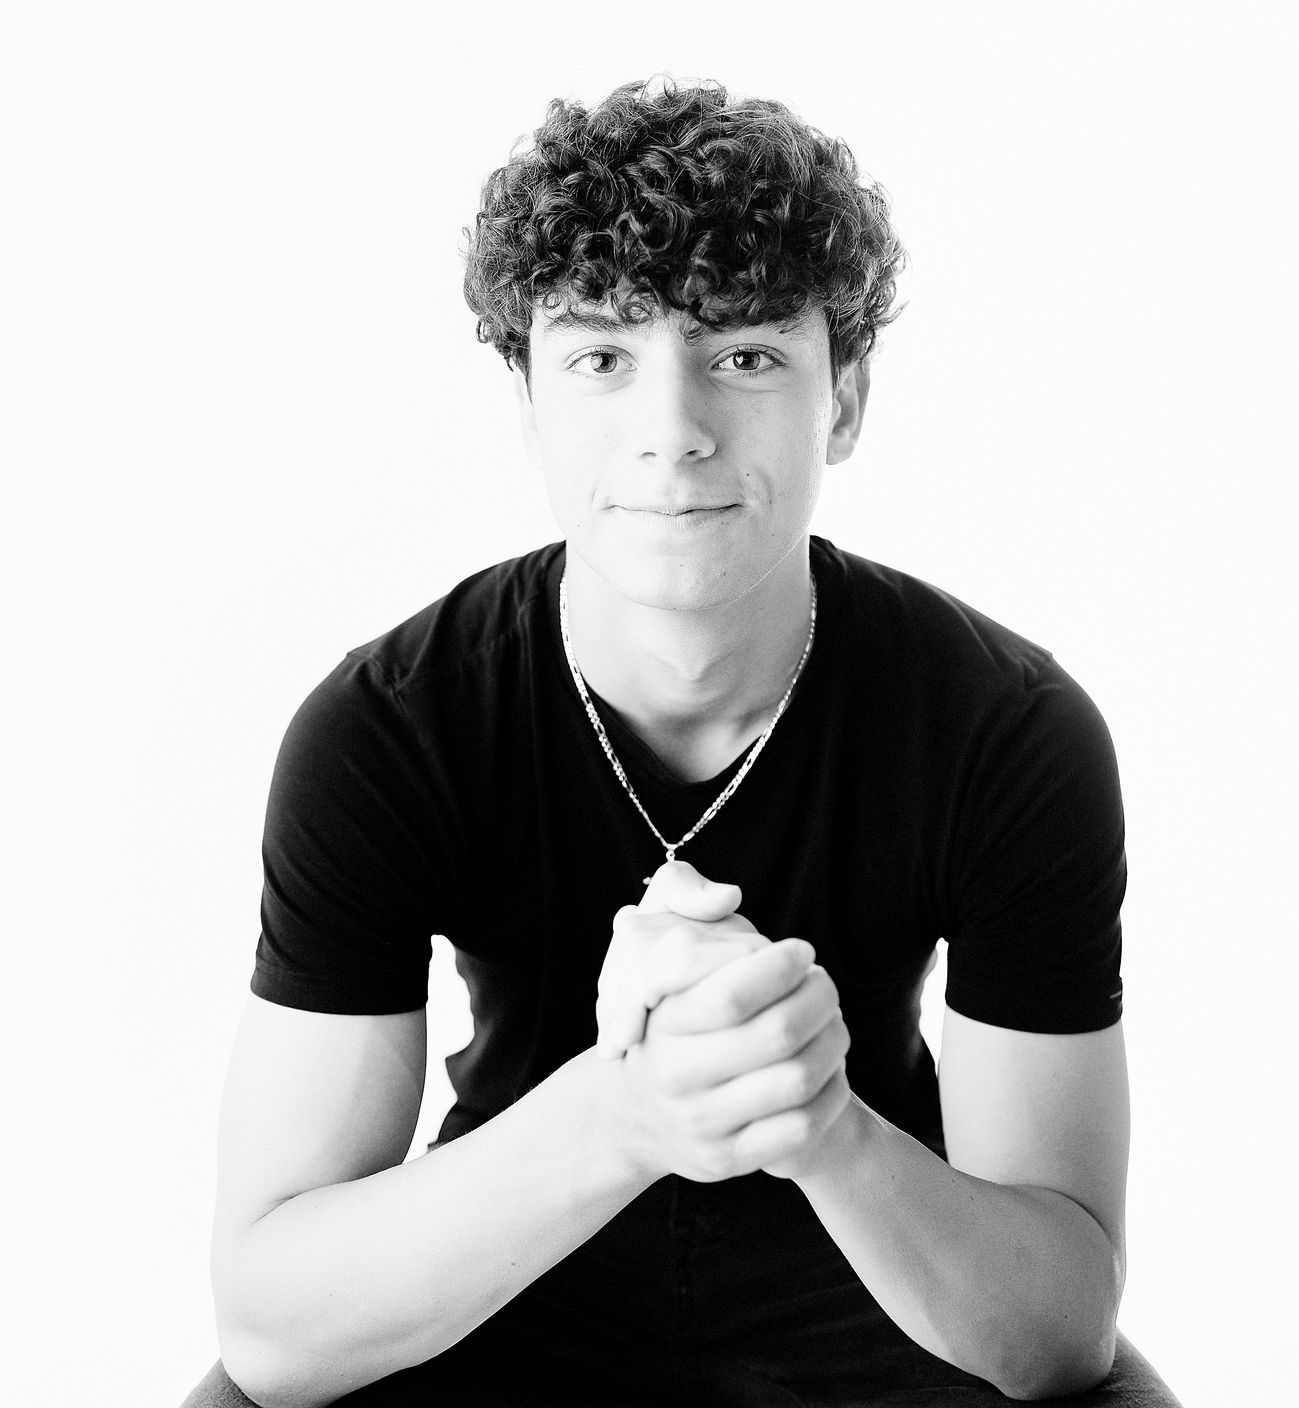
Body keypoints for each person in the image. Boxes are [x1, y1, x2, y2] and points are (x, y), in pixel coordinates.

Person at [186, 78, 1142, 1408]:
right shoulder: (387, 728)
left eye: (745, 355)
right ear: (530, 405)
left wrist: (824, 1129)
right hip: (502, 1294)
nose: (673, 430)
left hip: (881, 1307)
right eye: (601, 358)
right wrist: (627, 1115)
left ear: (844, 400)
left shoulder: (1008, 730)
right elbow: (273, 1329)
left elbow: (1059, 1330)